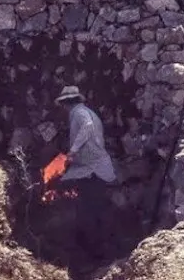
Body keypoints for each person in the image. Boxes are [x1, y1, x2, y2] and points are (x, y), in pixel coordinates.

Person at [54, 85, 116, 270]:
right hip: (93, 169)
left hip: (93, 171)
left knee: (89, 211)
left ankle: (94, 255)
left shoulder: (79, 113)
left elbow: (87, 127)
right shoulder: (86, 111)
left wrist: (72, 152)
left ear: (66, 103)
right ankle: (93, 251)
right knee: (92, 209)